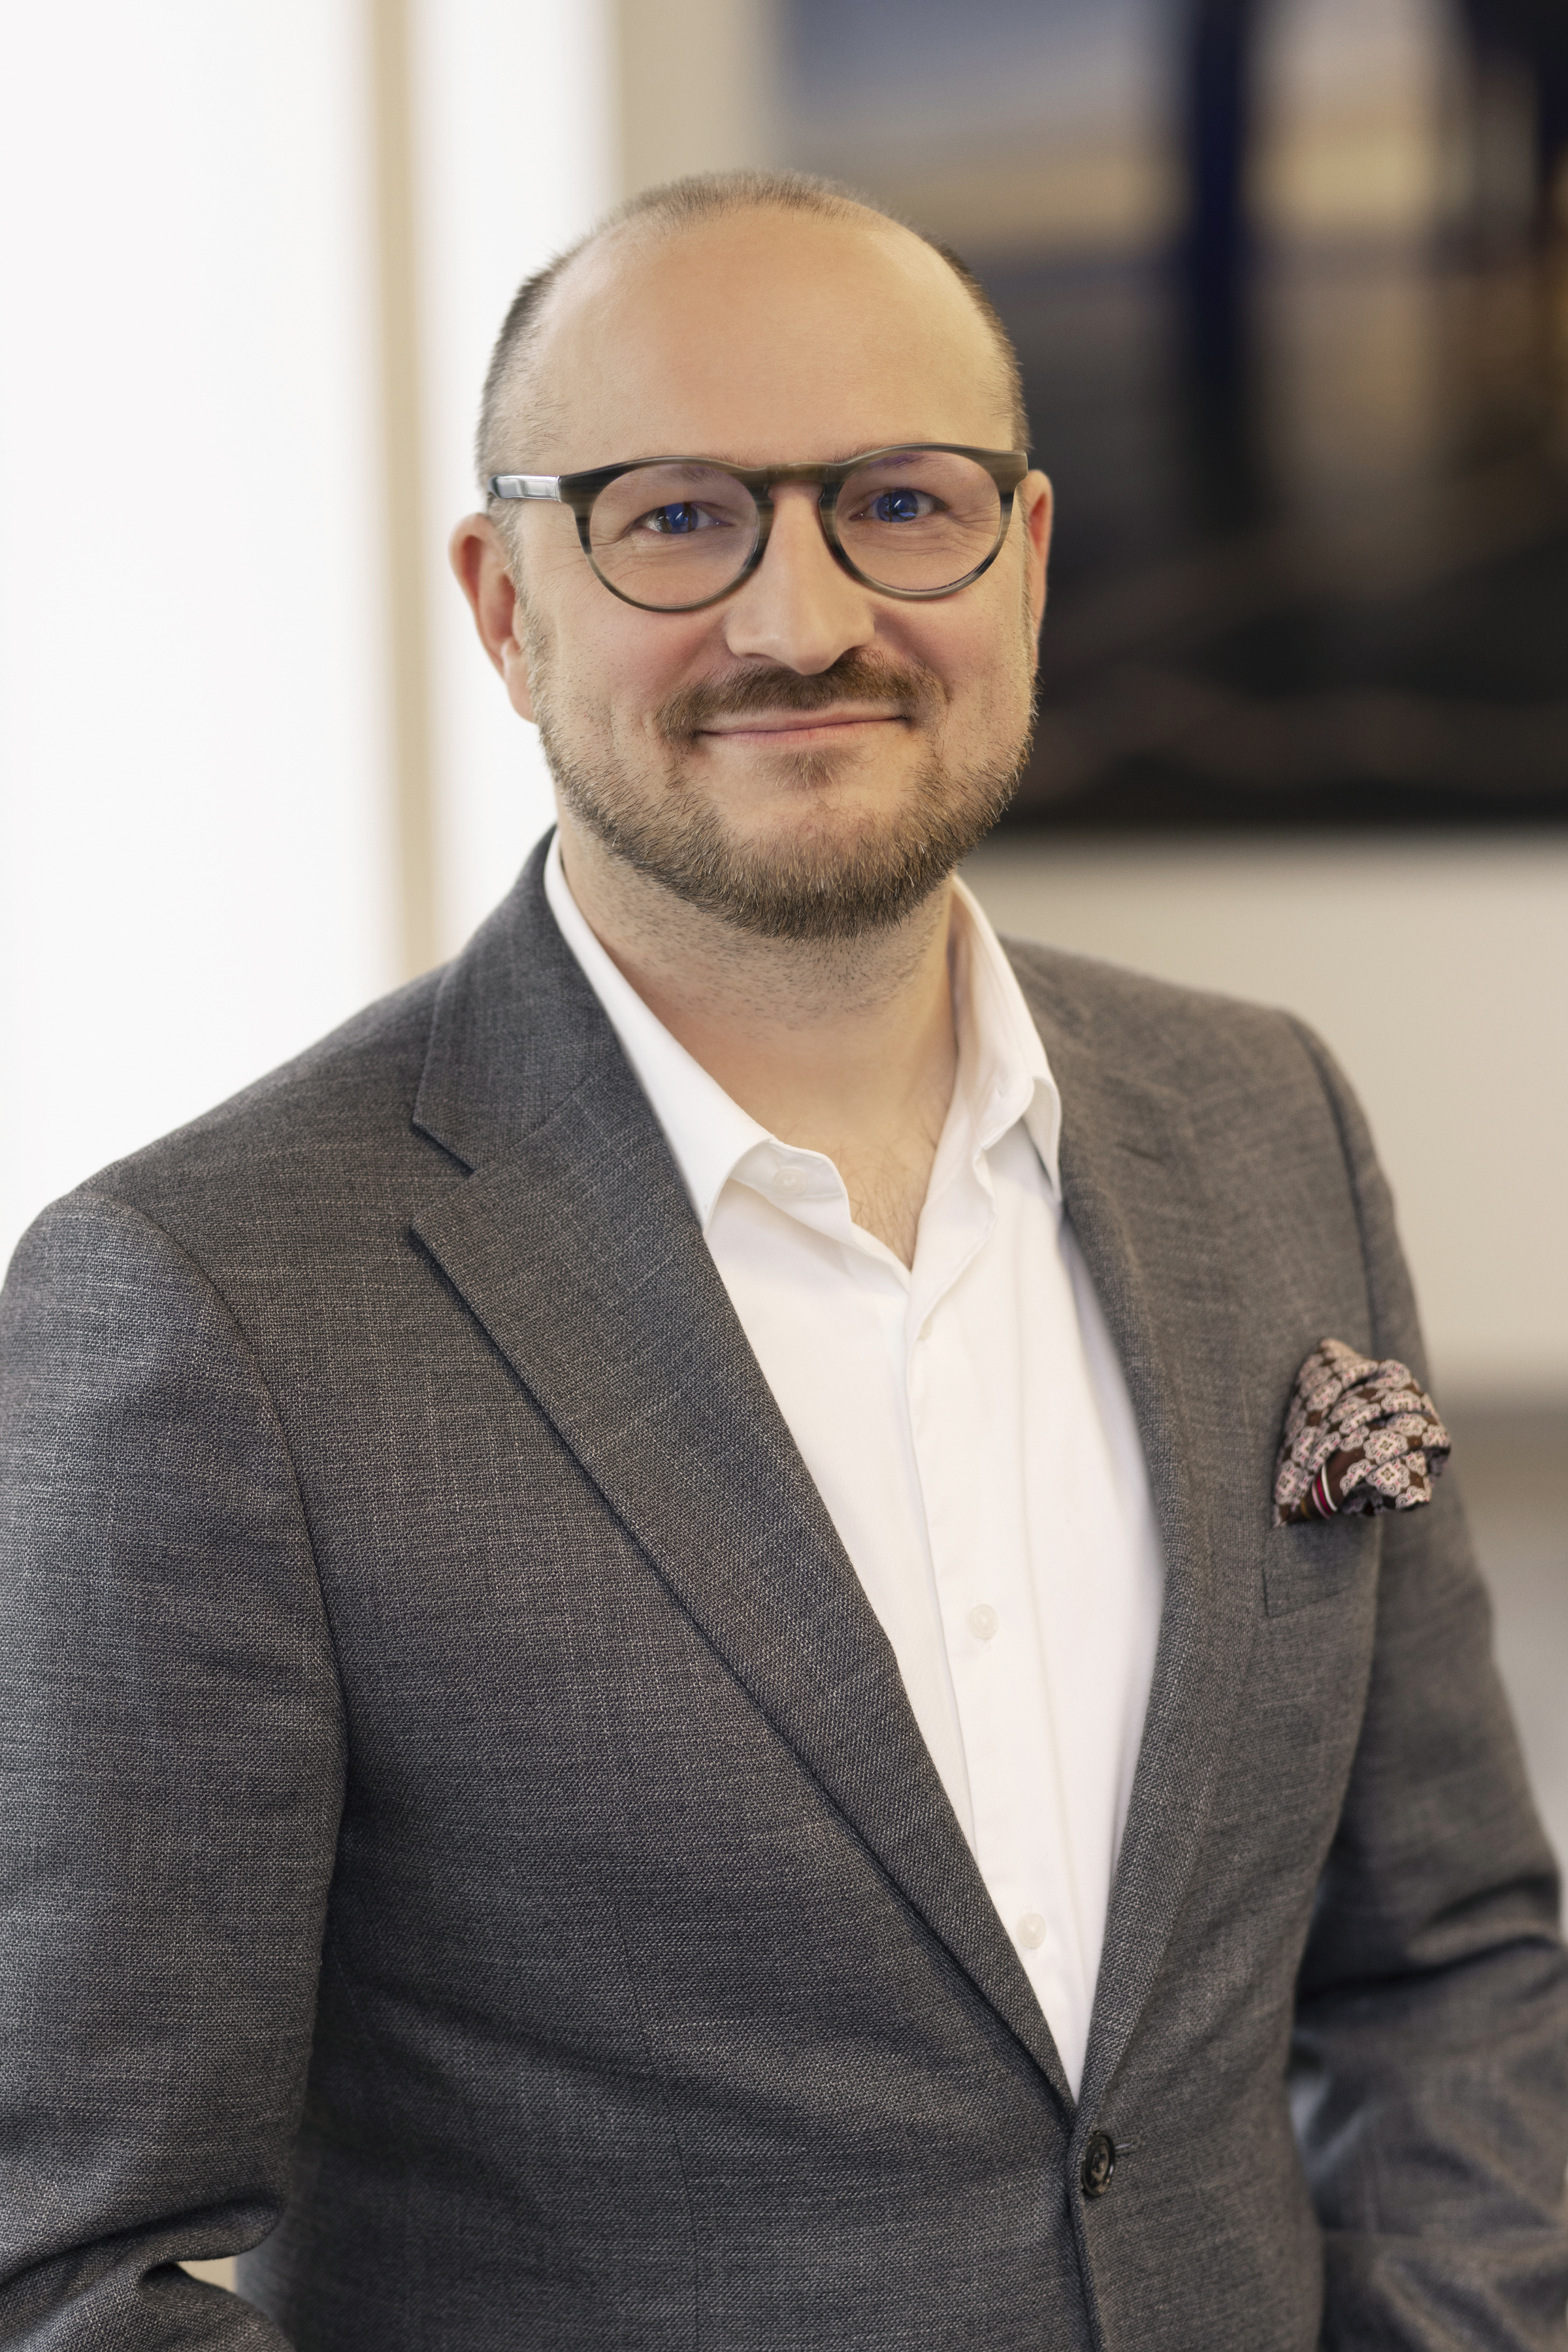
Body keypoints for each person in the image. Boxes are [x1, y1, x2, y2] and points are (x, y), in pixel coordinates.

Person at [1, 169, 1564, 2352]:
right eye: (675, 518)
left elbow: (1452, 1968)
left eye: (901, 505)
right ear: (505, 602)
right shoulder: (204, 1304)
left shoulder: (1265, 1122)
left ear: (1027, 560)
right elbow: (75, 2270)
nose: (803, 619)